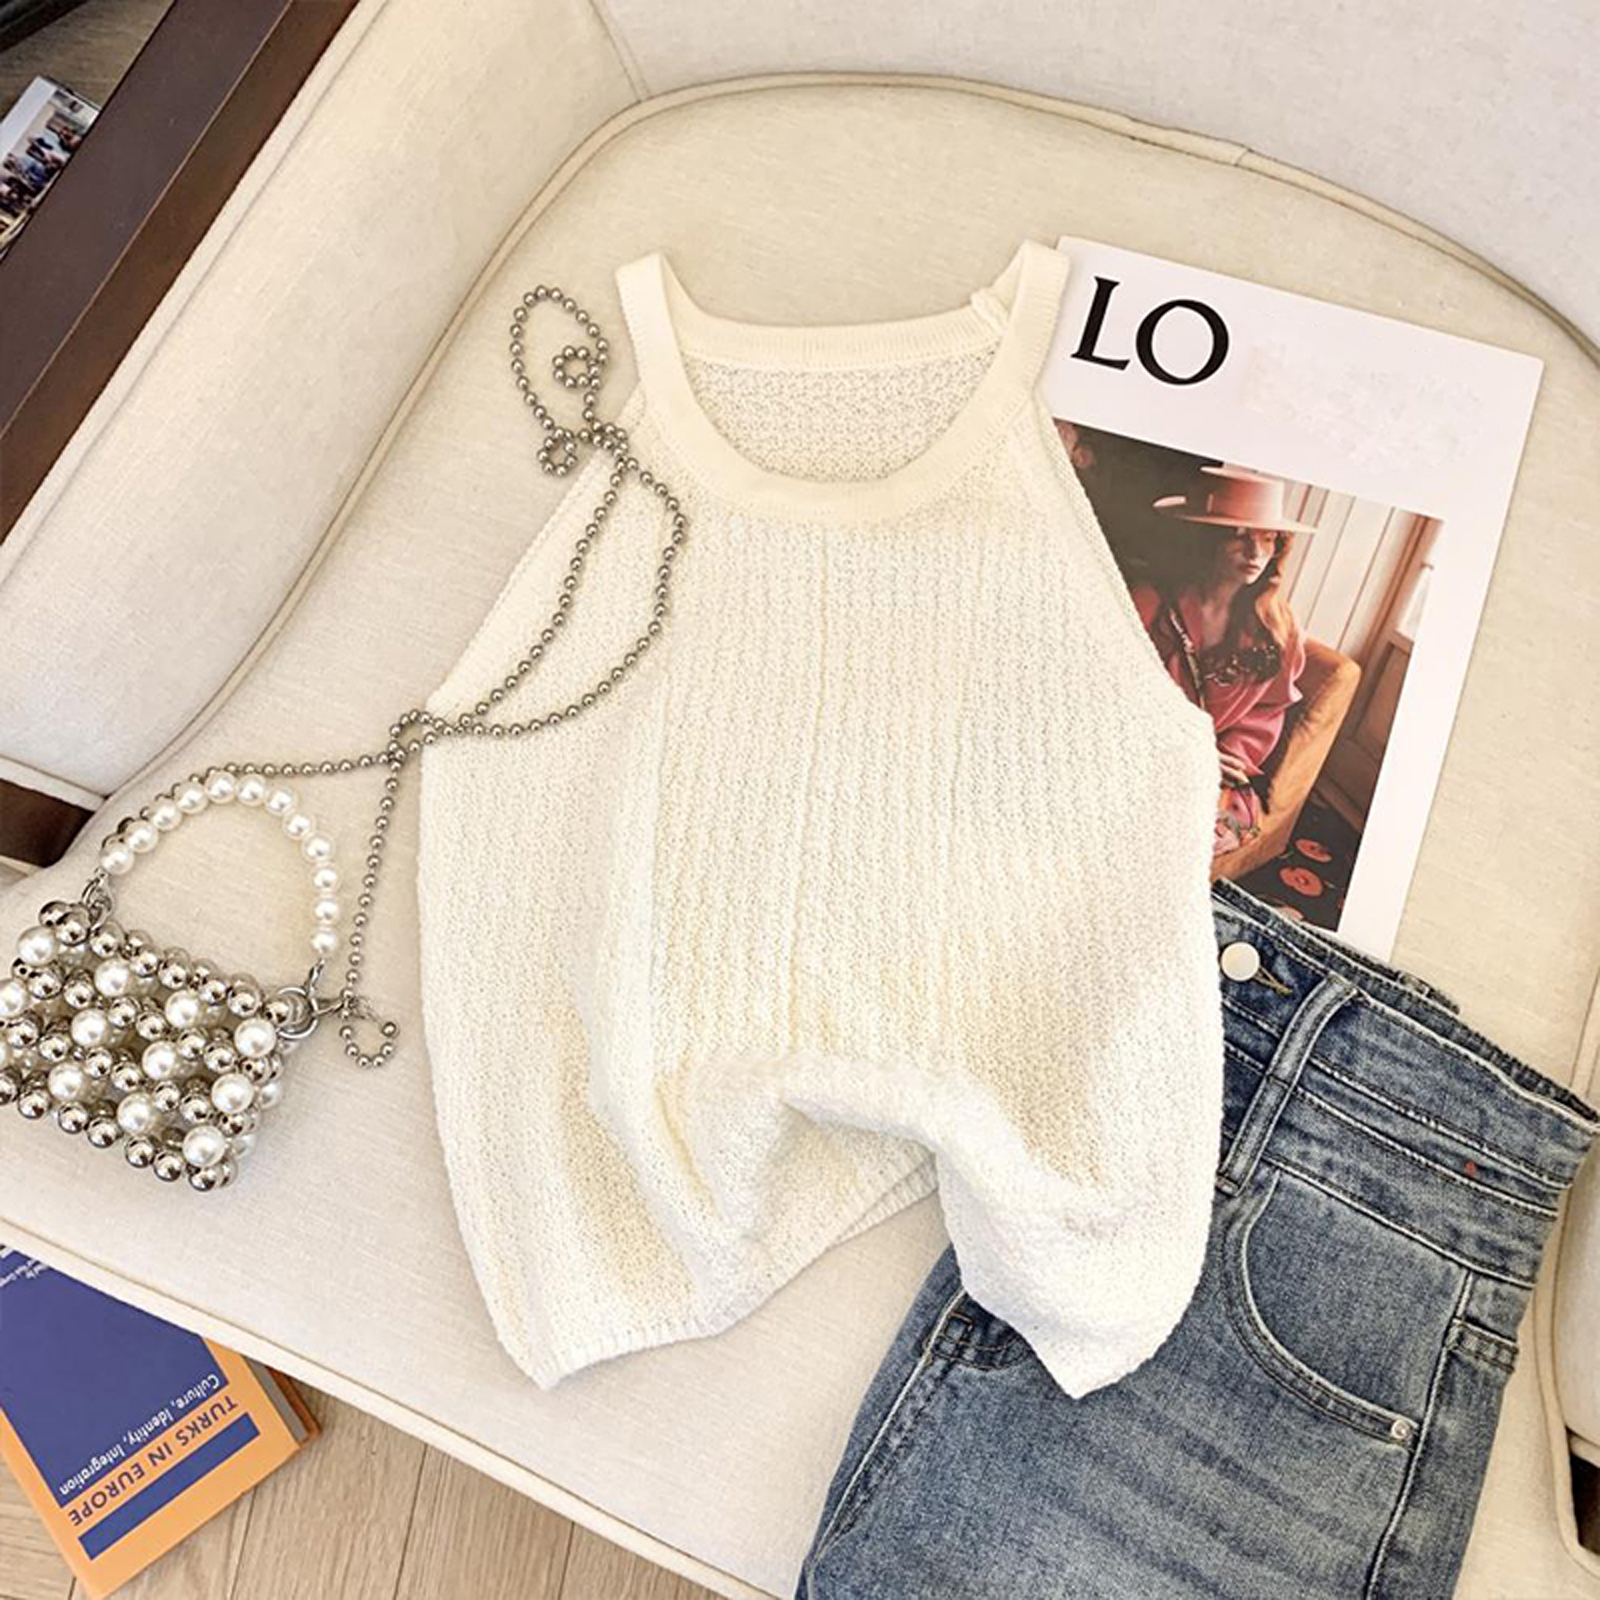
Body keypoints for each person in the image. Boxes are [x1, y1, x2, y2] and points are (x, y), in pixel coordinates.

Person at [1129, 463, 1315, 857]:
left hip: (1212, 770)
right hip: (1137, 750)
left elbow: (1265, 712)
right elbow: (1112, 693)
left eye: (1268, 539)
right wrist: (1185, 749)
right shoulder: (1148, 603)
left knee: (1206, 835)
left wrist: (1224, 760)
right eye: (1239, 537)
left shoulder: (1278, 628)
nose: (1255, 553)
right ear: (1205, 540)